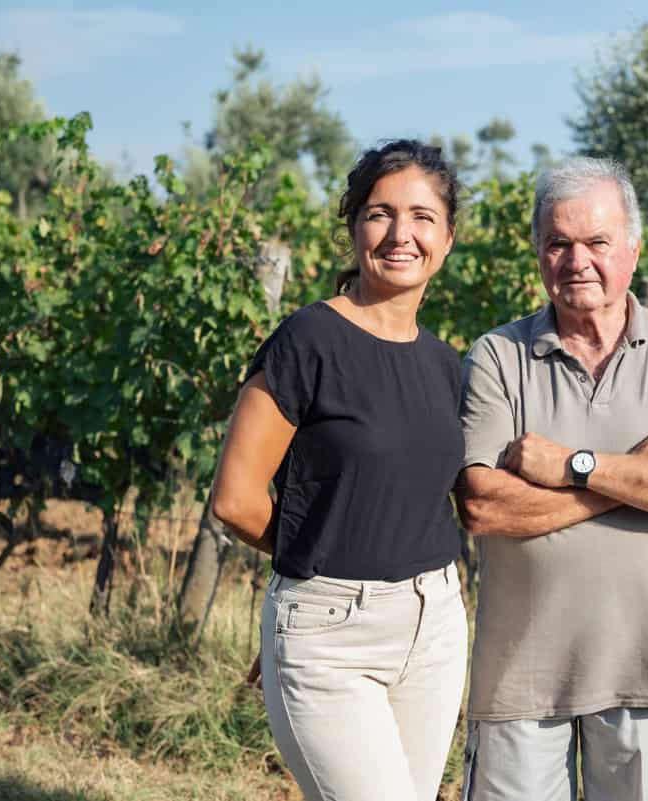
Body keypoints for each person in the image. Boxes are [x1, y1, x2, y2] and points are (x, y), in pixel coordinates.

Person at [456, 156, 648, 801]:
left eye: (596, 242)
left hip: (647, 674)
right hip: (518, 681)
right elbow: (482, 505)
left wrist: (573, 467)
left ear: (633, 252)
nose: (576, 260)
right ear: (538, 254)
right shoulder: (498, 357)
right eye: (558, 243)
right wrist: (642, 470)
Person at [210, 140, 468, 801]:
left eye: (421, 216)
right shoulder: (308, 341)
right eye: (380, 213)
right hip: (331, 636)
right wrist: (314, 588)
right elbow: (236, 499)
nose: (400, 234)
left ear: (448, 236)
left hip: (434, 624)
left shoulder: (444, 364)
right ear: (354, 226)